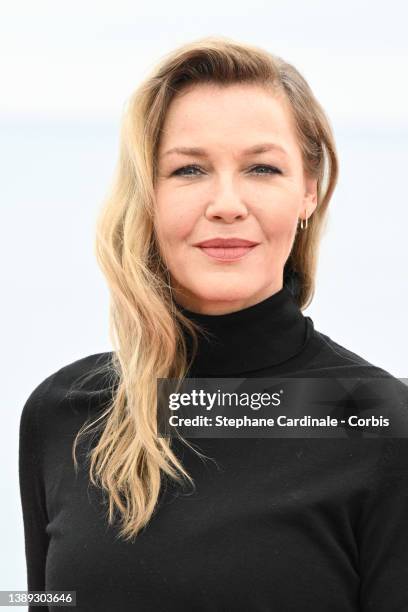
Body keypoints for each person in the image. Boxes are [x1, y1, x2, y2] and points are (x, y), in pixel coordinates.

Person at [19, 35, 408, 611]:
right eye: (190, 169)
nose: (226, 202)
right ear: (147, 194)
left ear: (308, 191)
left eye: (262, 167)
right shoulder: (63, 414)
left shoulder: (376, 420)